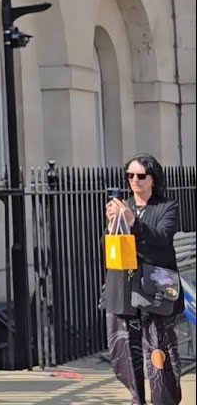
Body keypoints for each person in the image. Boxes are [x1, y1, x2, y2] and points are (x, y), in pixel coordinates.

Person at [103, 153, 184, 405]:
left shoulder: (166, 206)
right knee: (126, 352)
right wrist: (112, 226)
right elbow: (111, 248)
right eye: (130, 176)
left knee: (159, 353)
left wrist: (132, 221)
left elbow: (162, 239)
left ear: (153, 179)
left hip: (154, 291)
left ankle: (163, 401)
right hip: (124, 288)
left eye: (141, 176)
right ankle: (136, 399)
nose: (134, 181)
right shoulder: (122, 205)